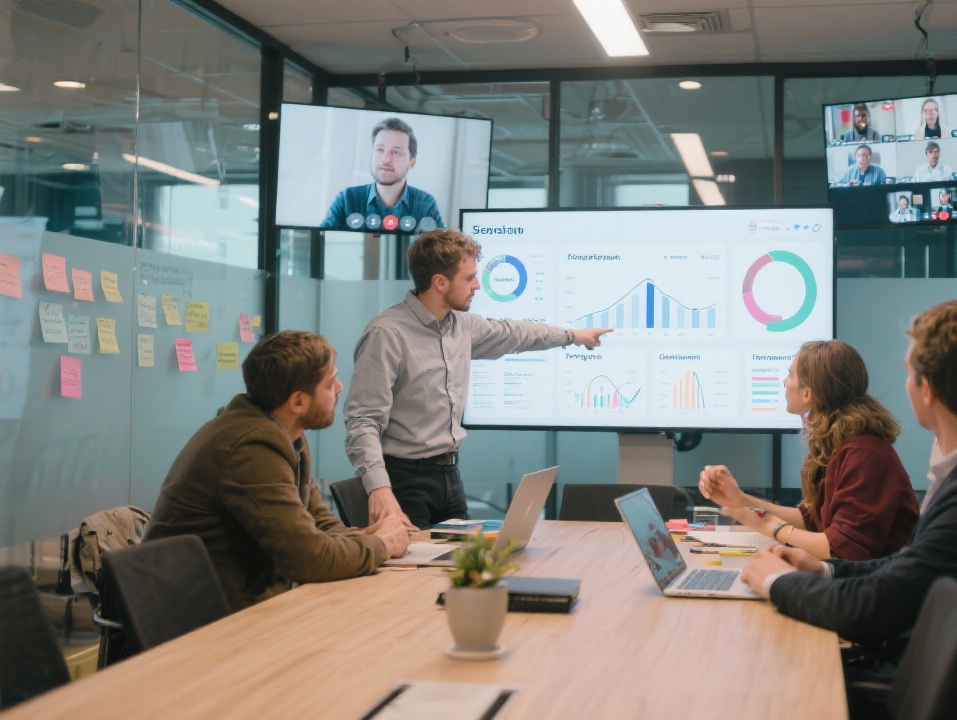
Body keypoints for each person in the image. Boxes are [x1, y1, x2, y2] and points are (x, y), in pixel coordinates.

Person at [738, 301, 957, 719]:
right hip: (926, 674)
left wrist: (775, 583)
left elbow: (875, 607)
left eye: (910, 374)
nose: (907, 384)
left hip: (919, 694)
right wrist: (821, 569)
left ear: (927, 389)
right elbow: (908, 568)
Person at [345, 229, 612, 530]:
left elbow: (516, 334)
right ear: (440, 282)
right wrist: (379, 489)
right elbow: (362, 420)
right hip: (405, 482)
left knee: (462, 571)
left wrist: (573, 336)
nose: (477, 286)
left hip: (450, 477)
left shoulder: (461, 326)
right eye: (469, 277)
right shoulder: (387, 334)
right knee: (412, 573)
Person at [144, 331, 410, 611]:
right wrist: (382, 545)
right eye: (330, 383)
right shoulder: (251, 448)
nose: (340, 388)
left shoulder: (286, 433)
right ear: (298, 402)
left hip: (240, 603)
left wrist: (369, 538)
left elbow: (320, 525)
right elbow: (308, 558)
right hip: (194, 619)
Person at [699, 340, 918, 561]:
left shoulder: (864, 454)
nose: (784, 384)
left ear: (807, 394)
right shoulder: (838, 443)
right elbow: (812, 521)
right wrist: (740, 499)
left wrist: (771, 527)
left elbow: (842, 549)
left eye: (790, 376)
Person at [321, 117, 444, 232]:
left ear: (412, 163)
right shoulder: (346, 199)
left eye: (395, 152)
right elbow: (320, 240)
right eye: (380, 150)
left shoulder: (426, 204)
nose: (385, 159)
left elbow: (440, 251)